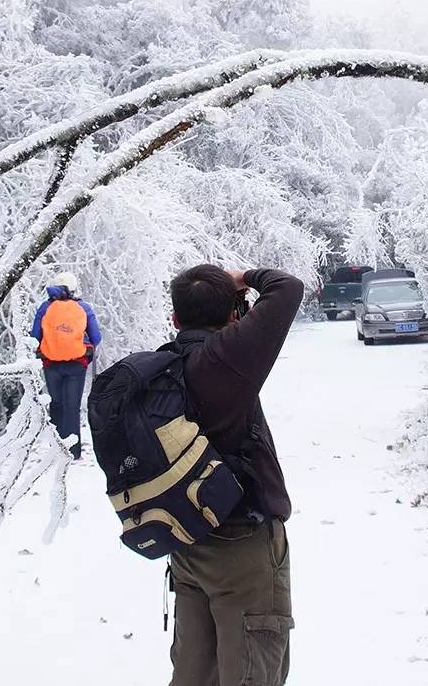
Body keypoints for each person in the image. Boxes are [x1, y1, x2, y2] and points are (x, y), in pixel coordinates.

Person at [166, 264, 303, 686]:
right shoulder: (228, 357)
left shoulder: (160, 367)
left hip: (186, 543)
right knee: (252, 672)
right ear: (233, 315)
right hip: (242, 541)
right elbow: (287, 288)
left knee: (193, 673)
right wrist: (243, 277)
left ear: (174, 320)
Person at [30, 272, 102, 459]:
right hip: (77, 365)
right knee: (72, 406)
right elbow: (96, 338)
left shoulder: (45, 308)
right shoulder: (84, 308)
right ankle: (73, 452)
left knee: (56, 404)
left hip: (50, 363)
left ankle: (57, 449)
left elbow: (34, 337)